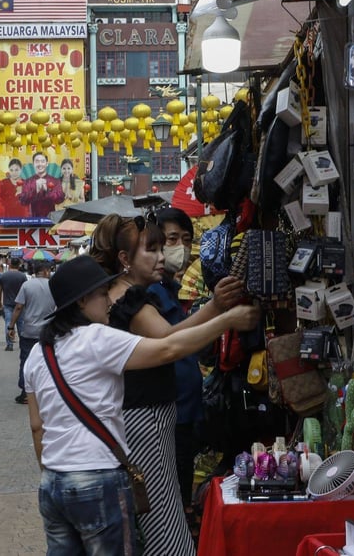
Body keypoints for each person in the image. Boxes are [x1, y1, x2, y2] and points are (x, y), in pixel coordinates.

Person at [23, 255, 259, 555]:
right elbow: (168, 348)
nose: (109, 301)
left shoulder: (38, 353)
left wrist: (54, 472)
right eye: (102, 294)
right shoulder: (96, 338)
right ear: (83, 301)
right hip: (96, 478)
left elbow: (36, 427)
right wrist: (225, 320)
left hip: (53, 484)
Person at [89, 212, 246, 555]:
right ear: (125, 259)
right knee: (164, 520)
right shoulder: (129, 298)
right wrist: (224, 314)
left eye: (165, 246)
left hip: (140, 418)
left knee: (154, 510)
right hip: (144, 421)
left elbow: (173, 336)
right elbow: (171, 343)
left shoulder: (122, 294)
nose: (163, 257)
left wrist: (217, 308)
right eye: (153, 249)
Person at [150, 207, 202, 536]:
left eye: (185, 239)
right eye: (171, 239)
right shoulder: (149, 294)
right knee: (174, 497)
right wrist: (221, 313)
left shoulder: (171, 288)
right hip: (171, 412)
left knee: (182, 486)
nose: (179, 247)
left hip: (185, 410)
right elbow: (171, 342)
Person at [9, 260, 55, 404]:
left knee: (26, 361)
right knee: (48, 361)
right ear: (47, 271)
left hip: (29, 330)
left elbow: (18, 307)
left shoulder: (27, 285)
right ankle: (47, 392)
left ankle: (25, 393)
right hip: (49, 331)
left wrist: (11, 326)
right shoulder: (54, 286)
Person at [18, 152, 64, 219]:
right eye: (37, 161)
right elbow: (23, 201)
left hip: (50, 220)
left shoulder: (55, 181)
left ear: (47, 163)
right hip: (33, 220)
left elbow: (60, 199)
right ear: (33, 164)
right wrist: (35, 190)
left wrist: (47, 191)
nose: (40, 164)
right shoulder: (28, 182)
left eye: (42, 161)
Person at [0, 257, 28, 350]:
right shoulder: (22, 276)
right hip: (20, 304)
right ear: (19, 265)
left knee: (8, 323)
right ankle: (23, 344)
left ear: (10, 264)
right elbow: (26, 289)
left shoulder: (3, 276)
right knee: (21, 324)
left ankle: (9, 344)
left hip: (8, 304)